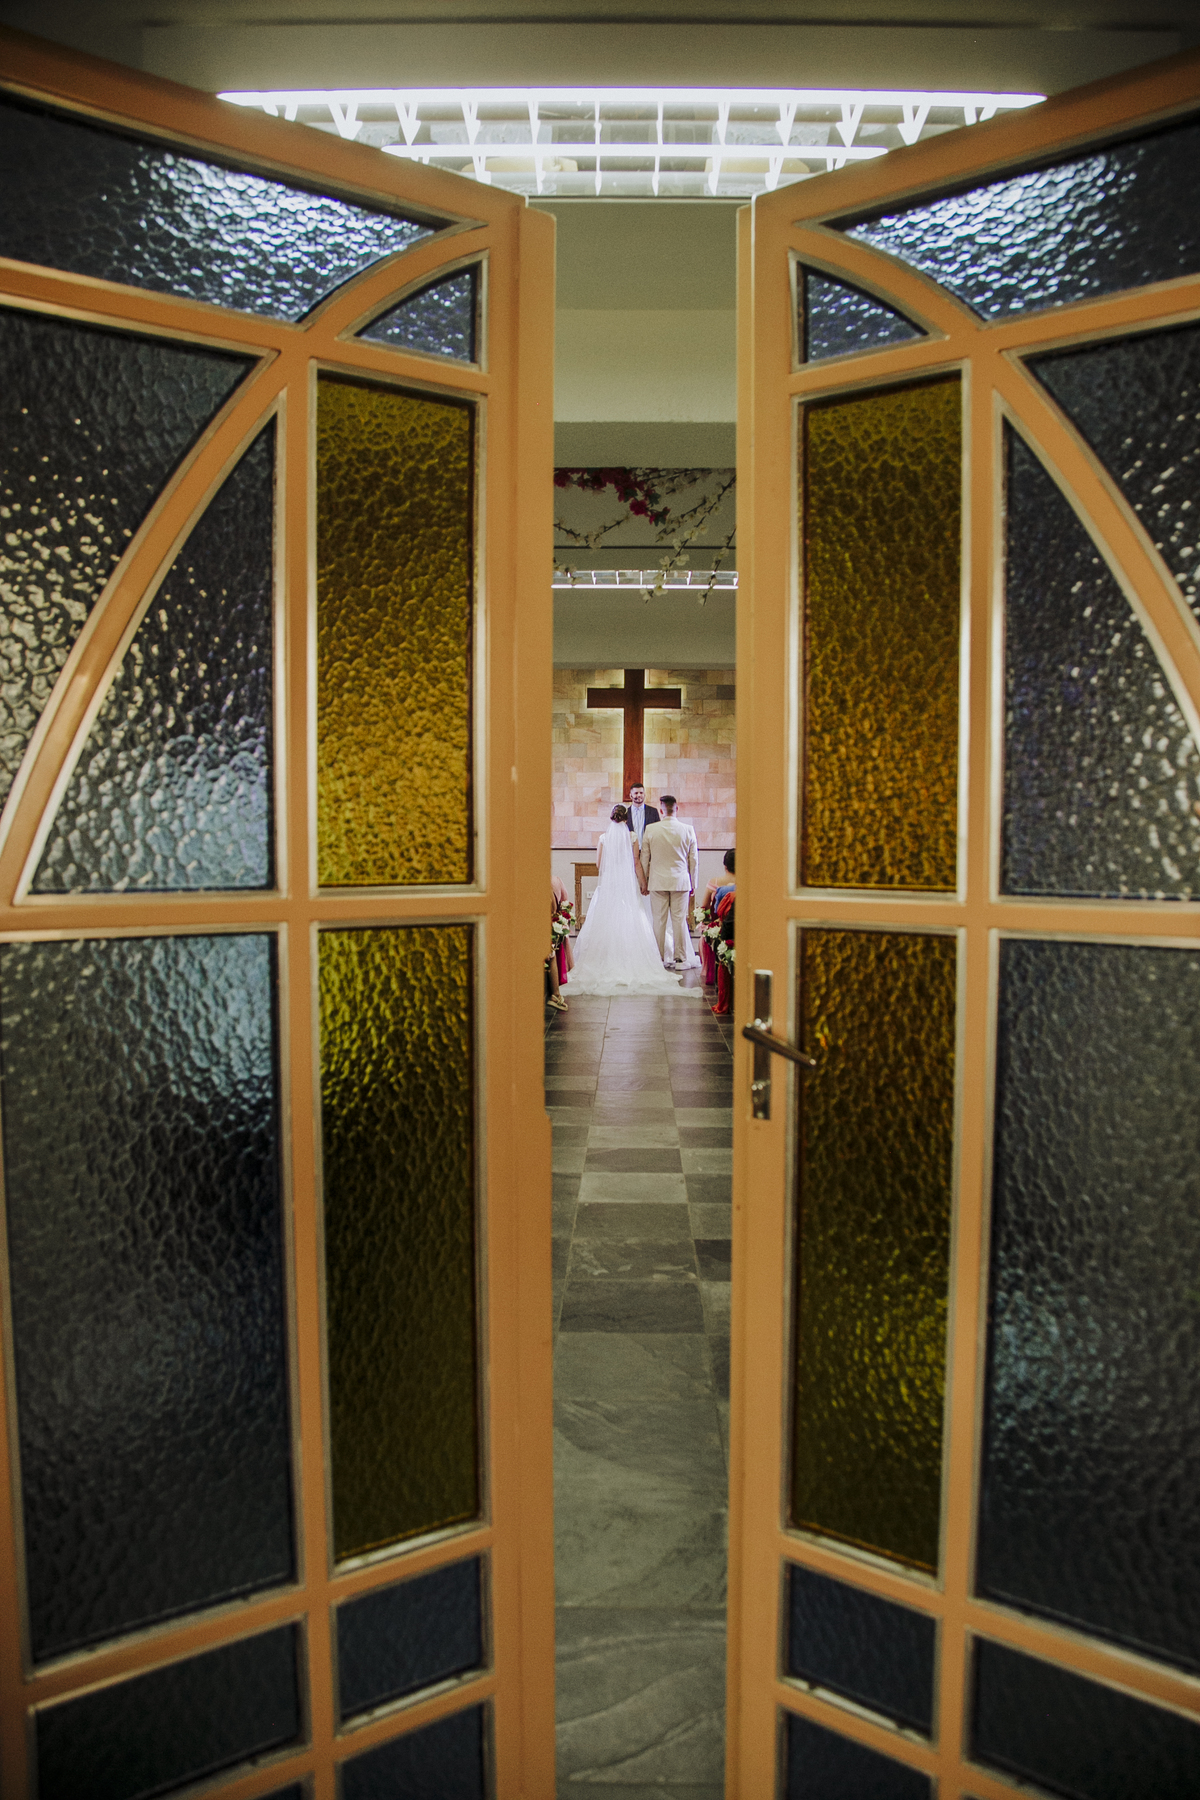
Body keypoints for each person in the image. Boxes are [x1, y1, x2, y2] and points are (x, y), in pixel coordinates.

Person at [567, 805, 698, 997]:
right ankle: (637, 957)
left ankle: (607, 956)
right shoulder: (633, 837)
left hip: (610, 885)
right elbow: (637, 863)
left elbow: (599, 864)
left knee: (607, 920)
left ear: (611, 818)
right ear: (626, 819)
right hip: (627, 885)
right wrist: (643, 883)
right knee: (632, 918)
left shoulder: (604, 838)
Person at [640, 795, 698, 971]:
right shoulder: (688, 829)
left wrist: (643, 881)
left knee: (658, 921)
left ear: (661, 810)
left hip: (657, 881)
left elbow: (644, 858)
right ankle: (680, 959)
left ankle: (658, 959)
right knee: (679, 920)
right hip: (680, 881)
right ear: (676, 808)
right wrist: (693, 882)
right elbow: (693, 860)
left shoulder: (651, 829)